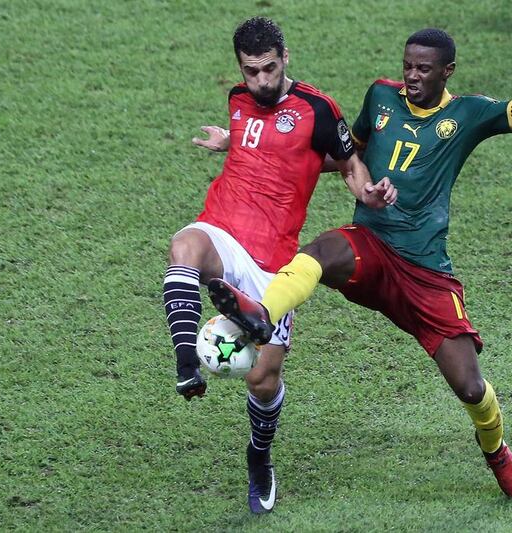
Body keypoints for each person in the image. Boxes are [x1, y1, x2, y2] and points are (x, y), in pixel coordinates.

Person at [206, 28, 512, 500]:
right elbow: (348, 153)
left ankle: (497, 451)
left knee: (470, 388)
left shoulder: (467, 113)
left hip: (425, 272)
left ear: (447, 71)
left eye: (423, 69)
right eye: (408, 65)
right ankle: (260, 313)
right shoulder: (382, 96)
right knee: (321, 251)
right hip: (370, 246)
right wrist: (249, 145)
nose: (411, 75)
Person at [166, 16, 396, 514]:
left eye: (269, 69)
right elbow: (258, 138)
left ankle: (259, 455)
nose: (261, 81)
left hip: (273, 264)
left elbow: (348, 159)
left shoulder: (316, 108)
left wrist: (368, 193)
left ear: (285, 57)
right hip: (224, 228)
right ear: (240, 69)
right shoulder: (236, 100)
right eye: (251, 72)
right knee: (184, 246)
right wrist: (229, 142)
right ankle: (188, 364)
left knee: (262, 379)